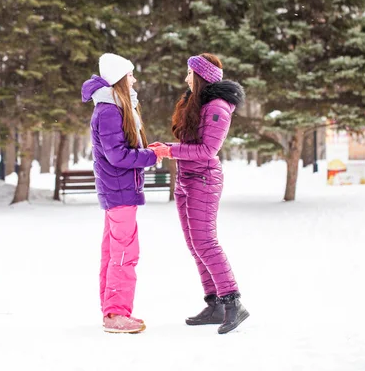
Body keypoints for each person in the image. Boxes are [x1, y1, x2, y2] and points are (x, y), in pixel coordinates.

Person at [148, 53, 249, 334]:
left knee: (206, 243)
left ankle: (233, 302)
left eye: (189, 74)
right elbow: (191, 143)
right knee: (195, 245)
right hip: (187, 179)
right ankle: (215, 303)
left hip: (203, 180)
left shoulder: (218, 106)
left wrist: (168, 150)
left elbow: (207, 150)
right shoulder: (198, 103)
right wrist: (167, 145)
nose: (185, 78)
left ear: (201, 76)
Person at [81, 53, 158, 334]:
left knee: (114, 253)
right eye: (130, 75)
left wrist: (150, 151)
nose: (134, 79)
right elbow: (118, 156)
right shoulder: (110, 110)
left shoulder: (111, 107)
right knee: (125, 254)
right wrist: (151, 156)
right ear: (120, 79)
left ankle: (111, 311)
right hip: (120, 192)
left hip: (118, 191)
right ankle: (116, 314)